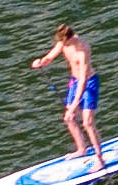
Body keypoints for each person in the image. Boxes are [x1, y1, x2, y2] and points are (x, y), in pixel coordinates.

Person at [31, 25, 102, 176]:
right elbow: (49, 57)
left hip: (88, 83)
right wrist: (41, 62)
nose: (63, 45)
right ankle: (81, 149)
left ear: (70, 38)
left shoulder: (83, 49)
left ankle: (100, 159)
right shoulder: (62, 42)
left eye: (65, 42)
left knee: (87, 123)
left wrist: (75, 104)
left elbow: (83, 80)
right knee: (68, 118)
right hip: (75, 82)